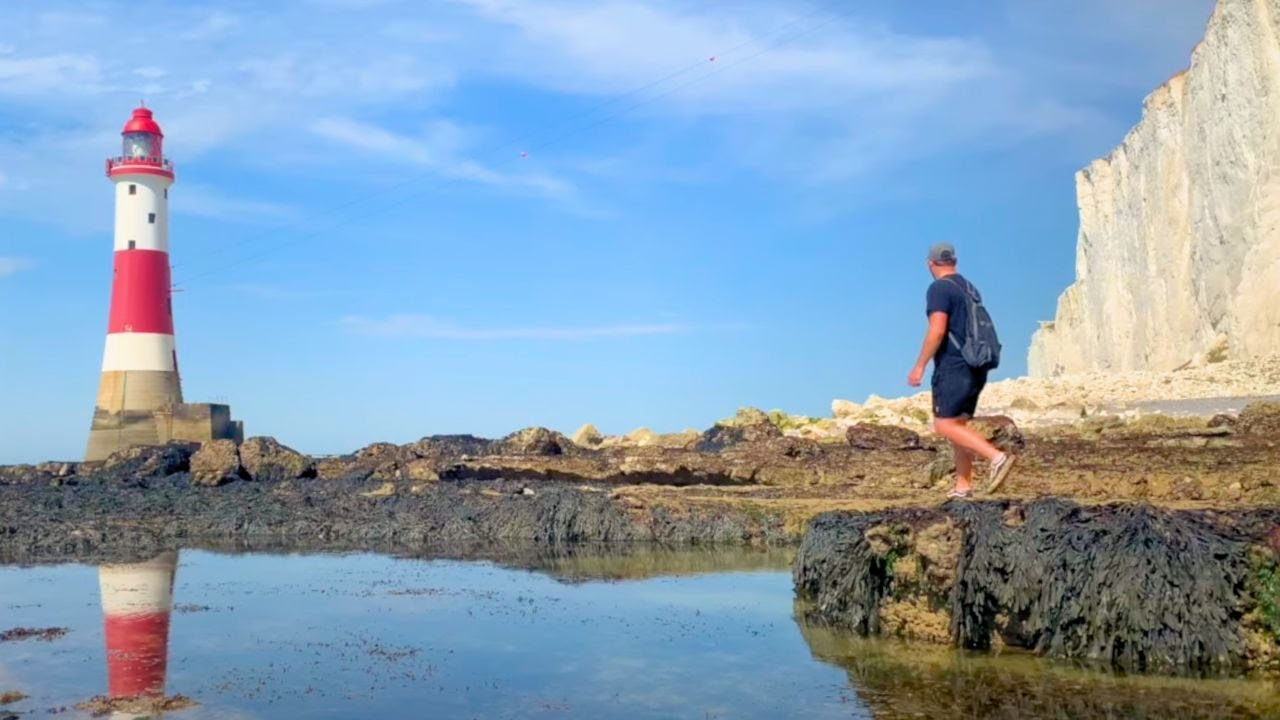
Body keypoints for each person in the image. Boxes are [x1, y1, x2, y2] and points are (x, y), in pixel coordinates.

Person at [907, 242, 1015, 498]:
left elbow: (938, 329)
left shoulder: (939, 289)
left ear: (930, 263)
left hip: (954, 365)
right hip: (977, 364)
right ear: (954, 261)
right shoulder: (968, 288)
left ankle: (997, 457)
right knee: (958, 425)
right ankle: (963, 486)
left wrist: (919, 366)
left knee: (944, 425)